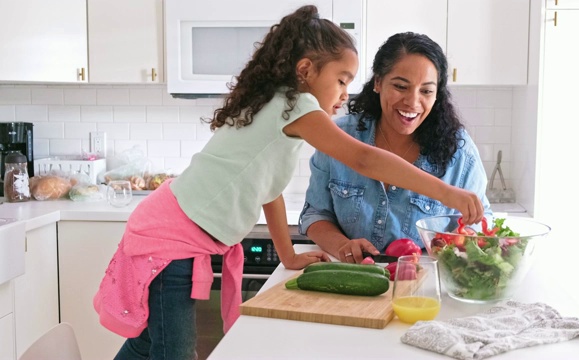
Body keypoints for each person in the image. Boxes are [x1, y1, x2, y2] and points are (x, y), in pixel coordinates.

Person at [93, 7, 484, 359]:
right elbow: (364, 159)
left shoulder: (281, 110)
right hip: (170, 240)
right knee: (173, 353)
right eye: (342, 79)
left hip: (166, 227)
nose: (346, 94)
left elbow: (271, 191)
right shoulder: (297, 105)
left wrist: (288, 255)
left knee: (147, 345)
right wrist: (446, 192)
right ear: (306, 71)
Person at [299, 32, 492, 264]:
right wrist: (342, 246)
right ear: (378, 82)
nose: (412, 102)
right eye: (401, 86)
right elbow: (315, 214)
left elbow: (481, 228)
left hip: (422, 288)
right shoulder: (339, 138)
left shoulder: (459, 152)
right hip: (352, 279)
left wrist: (457, 244)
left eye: (426, 91)